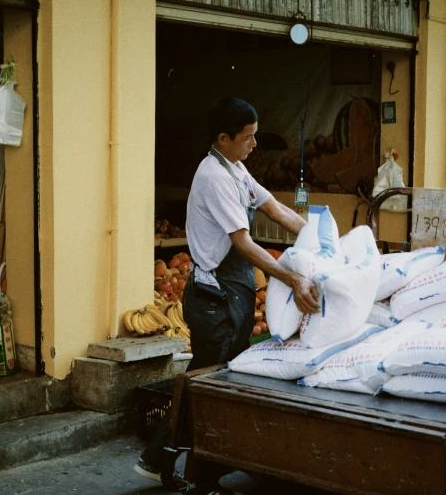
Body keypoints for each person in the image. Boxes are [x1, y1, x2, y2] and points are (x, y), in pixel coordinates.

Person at [135, 97, 320, 493]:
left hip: (231, 292)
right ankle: (181, 467)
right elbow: (244, 244)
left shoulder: (235, 169)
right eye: (248, 138)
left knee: (212, 385)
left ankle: (176, 463)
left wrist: (318, 239)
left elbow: (274, 208)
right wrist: (293, 279)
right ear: (223, 138)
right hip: (212, 298)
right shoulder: (213, 177)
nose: (255, 145)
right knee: (206, 387)